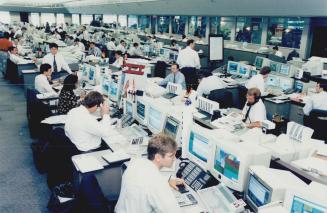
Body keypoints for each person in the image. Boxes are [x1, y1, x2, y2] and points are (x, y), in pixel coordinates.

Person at [115, 134, 183, 213]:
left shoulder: (136, 163)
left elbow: (144, 180)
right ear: (158, 157)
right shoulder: (157, 183)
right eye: (171, 156)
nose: (174, 159)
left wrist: (168, 179)